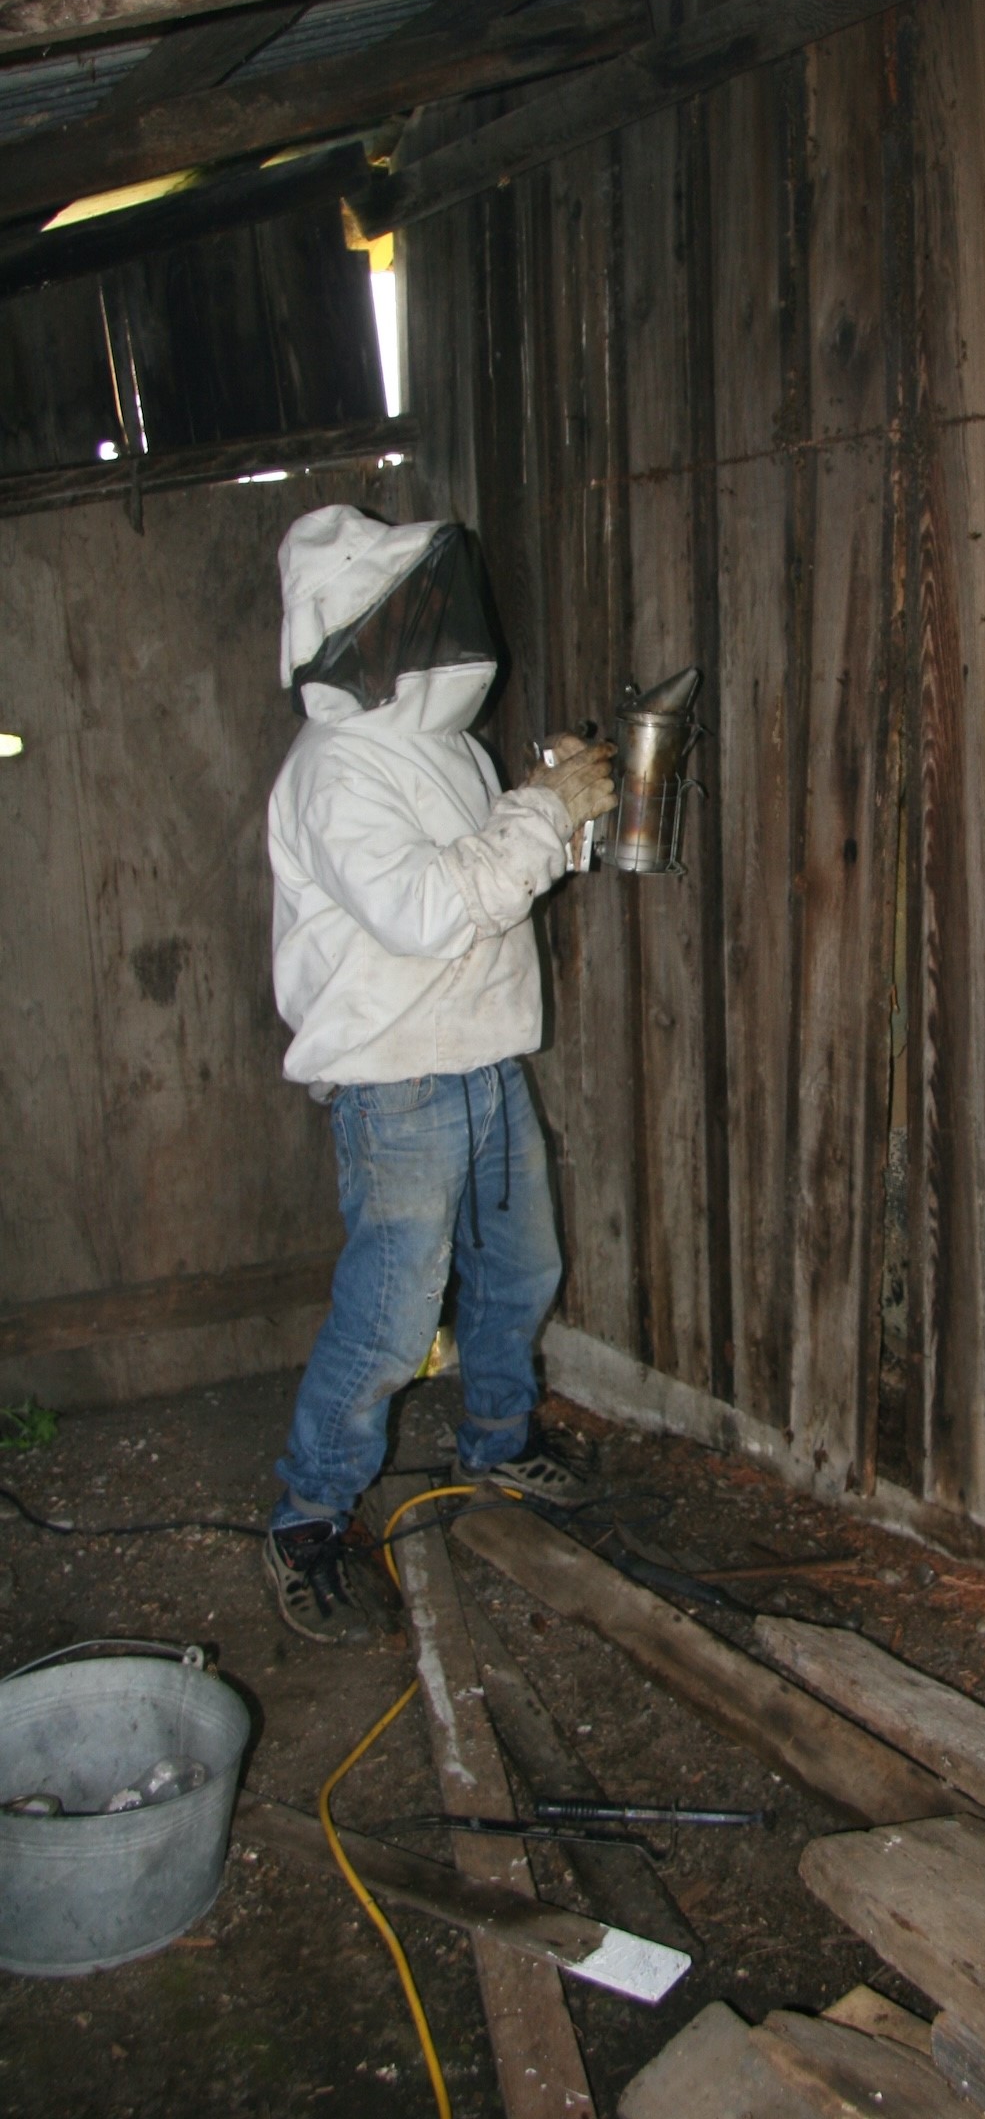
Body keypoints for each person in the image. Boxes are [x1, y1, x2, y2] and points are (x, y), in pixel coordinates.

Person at [261, 504, 616, 1645]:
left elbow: (495, 881)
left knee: (520, 1270)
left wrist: (563, 809)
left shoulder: (447, 749)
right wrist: (537, 813)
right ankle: (309, 1516)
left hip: (481, 1059)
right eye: (414, 605)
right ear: (359, 627)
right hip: (394, 1079)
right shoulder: (333, 771)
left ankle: (500, 1442)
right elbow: (422, 911)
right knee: (391, 1313)